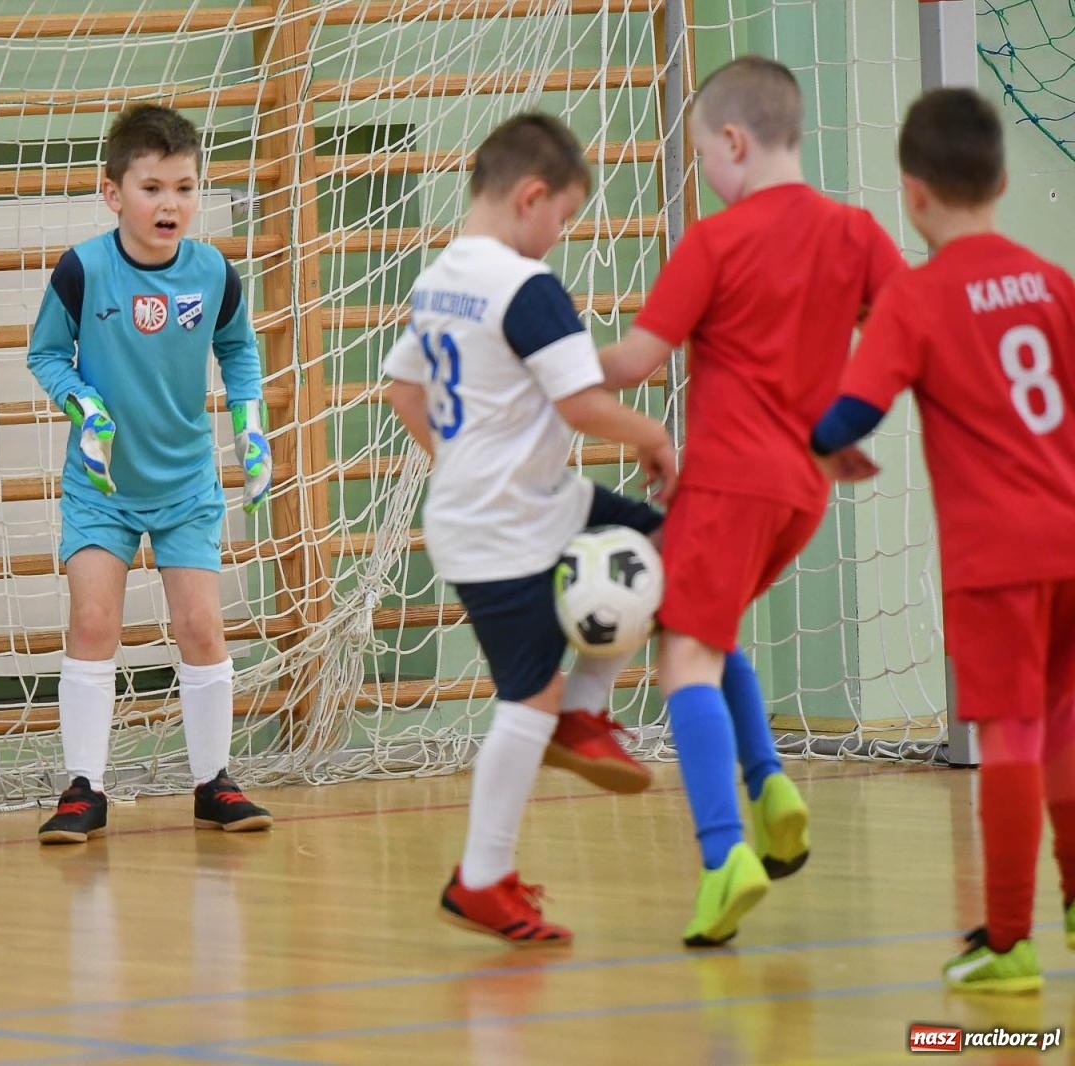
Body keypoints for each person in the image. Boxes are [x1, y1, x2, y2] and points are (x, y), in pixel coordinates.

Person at [596, 56, 906, 946]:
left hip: (729, 483)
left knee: (683, 655)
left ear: (733, 142)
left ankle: (724, 852)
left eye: (703, 156)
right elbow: (905, 324)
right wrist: (845, 420)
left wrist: (543, 369)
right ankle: (770, 788)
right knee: (712, 625)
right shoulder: (856, 232)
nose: (707, 174)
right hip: (803, 492)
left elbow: (635, 363)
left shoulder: (716, 241)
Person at [384, 112, 678, 945]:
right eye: (566, 218)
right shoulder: (525, 285)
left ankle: (583, 712)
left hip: (519, 503)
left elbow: (404, 392)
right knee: (527, 698)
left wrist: (468, 458)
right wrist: (656, 437)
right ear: (532, 196)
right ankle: (481, 879)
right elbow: (579, 403)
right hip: (500, 528)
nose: (563, 235)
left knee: (665, 544)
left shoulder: (440, 277)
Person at [811, 87, 1075, 994]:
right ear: (1002, 180)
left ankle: (1009, 942)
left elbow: (846, 414)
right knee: (1069, 728)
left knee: (1009, 737)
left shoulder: (917, 300)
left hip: (995, 556)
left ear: (911, 194)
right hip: (1072, 540)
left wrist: (833, 445)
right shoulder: (1053, 284)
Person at [27, 104, 275, 844]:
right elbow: (46, 355)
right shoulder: (83, 268)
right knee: (94, 622)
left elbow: (238, 349)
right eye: (152, 188)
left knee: (200, 626)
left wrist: (250, 422)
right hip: (102, 487)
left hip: (186, 483)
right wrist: (84, 406)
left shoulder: (212, 271)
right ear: (113, 193)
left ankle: (214, 784)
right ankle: (84, 788)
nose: (170, 204)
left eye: (184, 187)